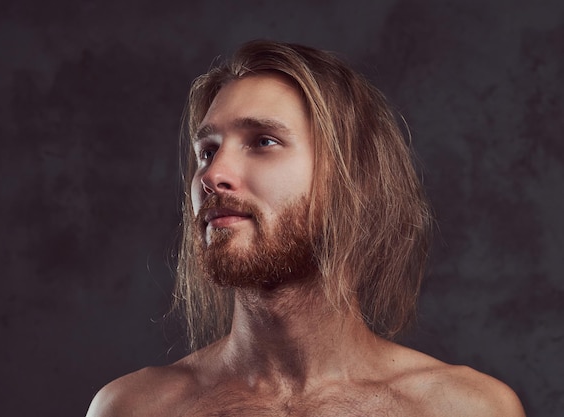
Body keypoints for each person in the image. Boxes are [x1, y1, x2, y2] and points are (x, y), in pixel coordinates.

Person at [86, 40, 525, 416]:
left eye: (263, 141)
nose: (213, 174)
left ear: (352, 178)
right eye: (206, 150)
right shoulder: (133, 408)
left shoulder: (463, 409)